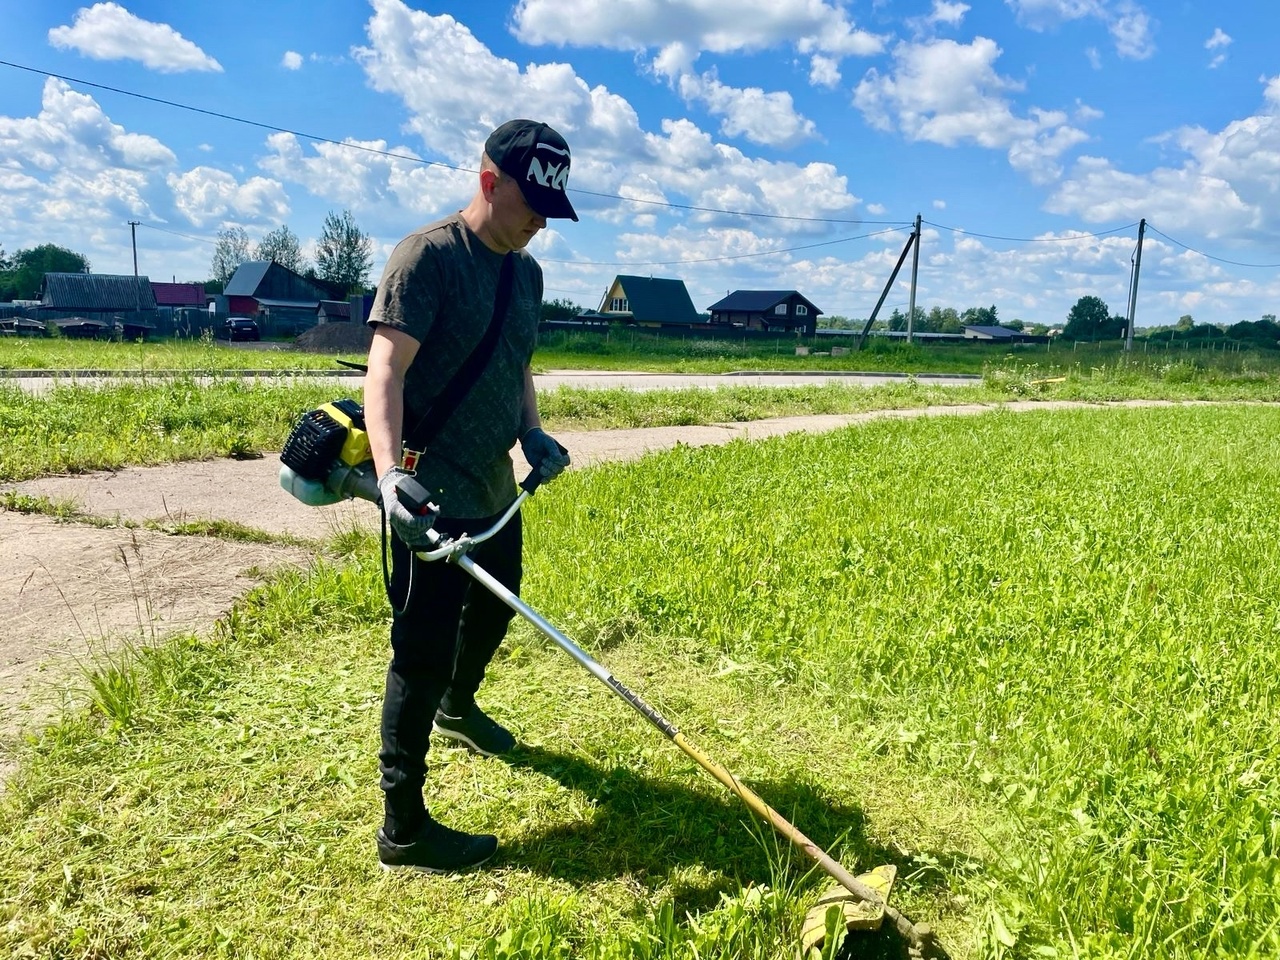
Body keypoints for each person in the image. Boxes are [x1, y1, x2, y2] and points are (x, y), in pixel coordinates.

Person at [362, 119, 576, 874]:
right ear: (490, 183)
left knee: (499, 603)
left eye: (553, 208)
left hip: (491, 489)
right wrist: (389, 476)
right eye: (532, 204)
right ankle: (404, 828)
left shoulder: (528, 273)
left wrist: (533, 433)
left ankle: (461, 705)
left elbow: (515, 361)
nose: (542, 222)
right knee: (418, 652)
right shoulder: (427, 259)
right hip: (425, 494)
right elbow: (384, 372)